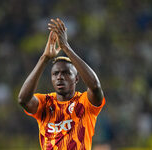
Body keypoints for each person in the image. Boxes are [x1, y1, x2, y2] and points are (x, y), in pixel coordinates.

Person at [18, 18, 105, 150]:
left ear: (76, 79)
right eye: (55, 74)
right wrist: (45, 58)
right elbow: (23, 99)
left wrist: (66, 47)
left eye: (66, 73)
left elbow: (95, 86)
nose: (59, 77)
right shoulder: (45, 103)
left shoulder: (84, 103)